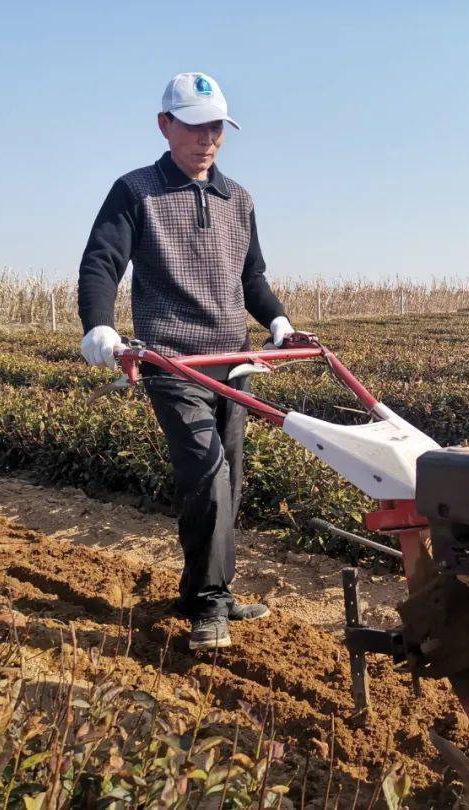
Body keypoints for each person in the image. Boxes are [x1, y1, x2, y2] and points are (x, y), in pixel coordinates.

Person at [76, 71, 297, 650]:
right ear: (165, 125)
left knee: (230, 478)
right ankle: (207, 605)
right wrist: (100, 326)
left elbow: (253, 278)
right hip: (172, 360)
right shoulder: (136, 190)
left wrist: (277, 320)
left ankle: (206, 587)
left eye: (217, 127)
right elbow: (101, 262)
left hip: (233, 360)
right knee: (206, 471)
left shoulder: (238, 199)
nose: (208, 139)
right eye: (196, 127)